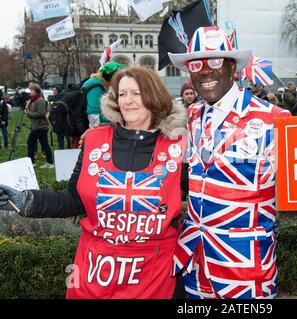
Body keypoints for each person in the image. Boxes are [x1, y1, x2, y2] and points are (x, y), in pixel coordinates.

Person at [0, 67, 188, 299]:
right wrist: (24, 200)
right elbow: (73, 199)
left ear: (154, 96)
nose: (127, 101)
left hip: (155, 276)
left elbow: (205, 200)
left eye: (136, 93)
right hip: (95, 273)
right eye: (121, 94)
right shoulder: (95, 141)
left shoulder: (179, 148)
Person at [169, 26, 291, 299]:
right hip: (195, 264)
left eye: (214, 61)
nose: (204, 71)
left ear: (232, 67)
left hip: (244, 267)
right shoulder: (192, 114)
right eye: (196, 64)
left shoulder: (274, 119)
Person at [82, 61, 125, 128]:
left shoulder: (100, 82)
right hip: (92, 125)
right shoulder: (96, 84)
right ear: (111, 76)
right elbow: (94, 113)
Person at [24, 84, 54, 169]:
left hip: (41, 127)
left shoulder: (40, 100)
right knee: (31, 143)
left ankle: (49, 162)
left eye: (32, 90)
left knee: (44, 145)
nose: (30, 92)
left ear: (36, 91)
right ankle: (32, 162)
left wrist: (28, 114)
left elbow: (41, 114)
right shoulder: (32, 100)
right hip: (35, 127)